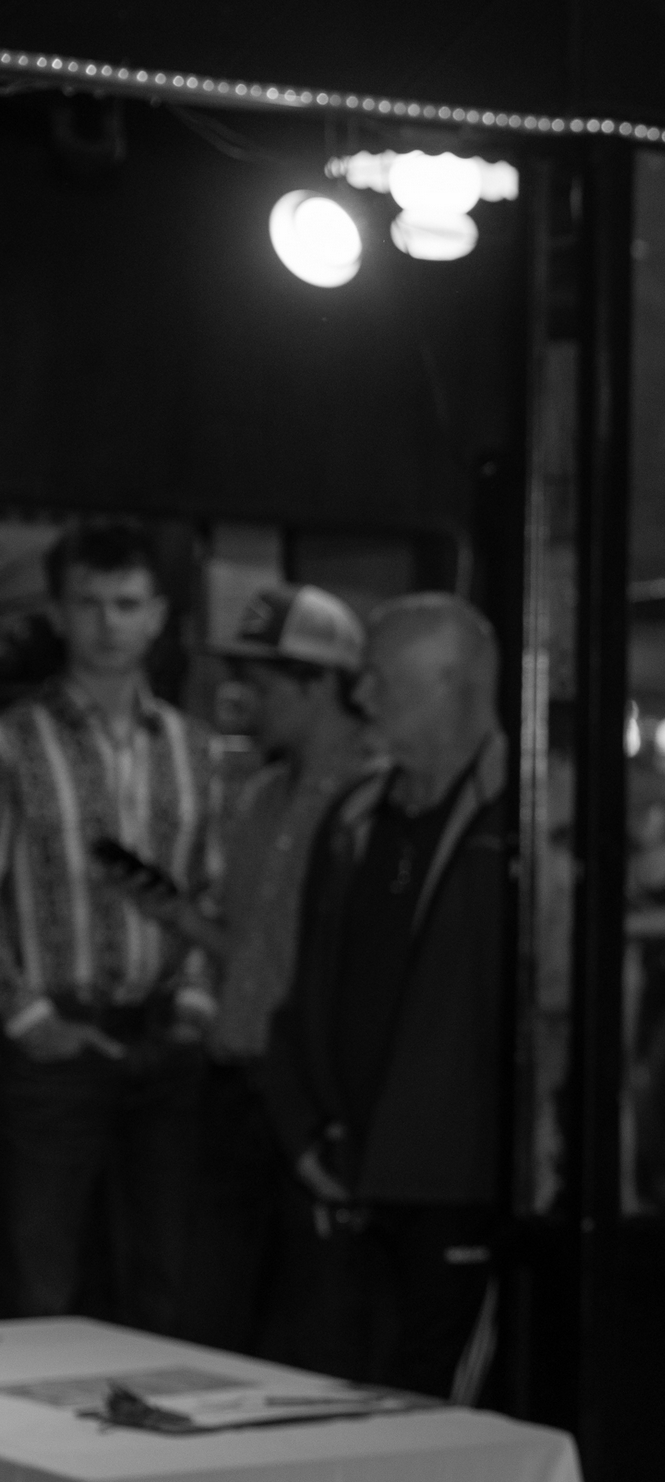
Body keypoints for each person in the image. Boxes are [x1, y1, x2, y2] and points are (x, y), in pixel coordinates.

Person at [263, 595, 509, 1395]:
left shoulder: (525, 817)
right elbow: (304, 988)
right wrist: (302, 1128)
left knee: (436, 1407)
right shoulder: (356, 815)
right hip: (346, 1173)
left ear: (451, 683)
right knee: (333, 1396)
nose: (360, 696)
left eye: (379, 677)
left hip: (458, 1186)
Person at [128, 583, 374, 1356]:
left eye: (262, 686)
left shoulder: (375, 796)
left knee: (314, 1321)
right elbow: (252, 946)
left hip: (312, 1090)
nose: (242, 702)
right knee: (213, 1316)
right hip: (236, 1077)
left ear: (320, 684)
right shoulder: (263, 794)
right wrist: (181, 919)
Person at [0, 521, 220, 1327]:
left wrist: (194, 1005)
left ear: (158, 616)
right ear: (58, 614)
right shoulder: (15, 742)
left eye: (127, 604)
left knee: (165, 1279)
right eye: (88, 604)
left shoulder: (192, 748)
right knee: (42, 1282)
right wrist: (27, 1017)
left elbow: (211, 889)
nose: (107, 624)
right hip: (55, 1035)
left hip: (163, 1036)